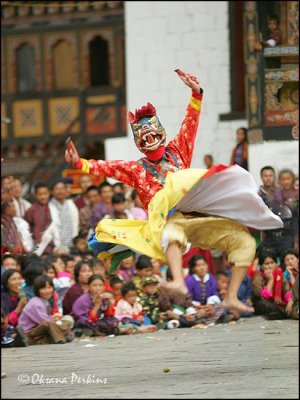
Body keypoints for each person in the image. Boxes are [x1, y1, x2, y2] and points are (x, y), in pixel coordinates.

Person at [65, 69, 282, 314]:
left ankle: (231, 296)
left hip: (196, 218)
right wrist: (79, 163)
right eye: (143, 137)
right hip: (167, 225)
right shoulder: (137, 170)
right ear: (138, 143)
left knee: (243, 241)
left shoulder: (179, 151)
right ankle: (178, 280)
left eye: (152, 133)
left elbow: (190, 123)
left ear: (161, 131)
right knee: (173, 226)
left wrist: (196, 93)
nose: (149, 138)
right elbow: (107, 167)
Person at [18, 275, 74, 345]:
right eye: (43, 288)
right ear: (37, 290)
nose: (47, 291)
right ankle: (60, 338)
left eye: (49, 287)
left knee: (67, 321)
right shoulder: (35, 303)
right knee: (48, 324)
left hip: (40, 329)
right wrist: (53, 318)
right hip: (29, 333)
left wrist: (56, 318)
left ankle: (61, 335)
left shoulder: (44, 301)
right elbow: (44, 322)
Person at [252, 250, 293, 320]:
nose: (270, 266)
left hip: (278, 304)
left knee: (292, 301)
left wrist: (290, 301)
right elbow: (262, 297)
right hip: (266, 304)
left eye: (272, 263)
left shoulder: (279, 274)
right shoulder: (258, 277)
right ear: (261, 266)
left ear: (276, 264)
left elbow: (286, 290)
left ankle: (281, 313)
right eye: (267, 264)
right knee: (262, 303)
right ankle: (284, 313)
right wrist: (271, 280)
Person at [24, 182, 60, 256]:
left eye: (45, 194)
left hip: (52, 246)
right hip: (37, 248)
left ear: (49, 193)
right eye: (40, 194)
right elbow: (25, 229)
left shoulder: (52, 208)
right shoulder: (32, 210)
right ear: (35, 195)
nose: (43, 197)